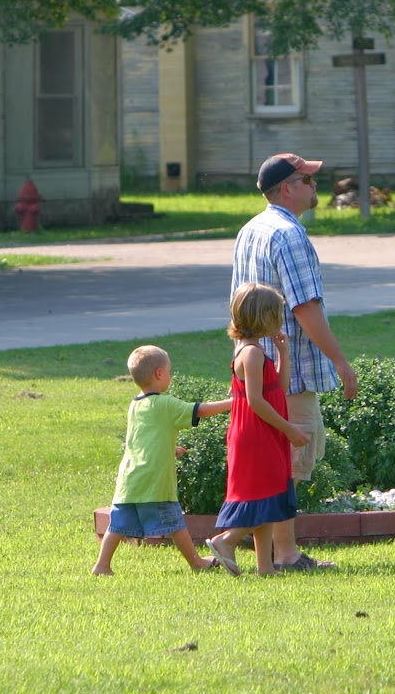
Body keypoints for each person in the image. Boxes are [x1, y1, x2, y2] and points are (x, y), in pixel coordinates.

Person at [230, 152, 359, 572]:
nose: (315, 186)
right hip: (291, 371)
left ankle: (275, 552)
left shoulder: (251, 229)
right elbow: (305, 306)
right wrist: (341, 361)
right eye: (307, 179)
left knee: (275, 463)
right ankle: (281, 554)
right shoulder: (289, 235)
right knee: (291, 463)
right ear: (287, 188)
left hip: (253, 367)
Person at [92, 345, 233, 576]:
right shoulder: (164, 404)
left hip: (130, 480)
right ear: (159, 373)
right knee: (175, 523)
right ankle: (196, 562)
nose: (170, 375)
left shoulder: (135, 404)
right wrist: (235, 402)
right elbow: (200, 410)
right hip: (155, 482)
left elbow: (142, 438)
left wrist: (169, 448)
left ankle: (102, 565)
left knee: (117, 525)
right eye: (169, 371)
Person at [205, 283, 310, 576]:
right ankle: (225, 541)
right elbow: (255, 401)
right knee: (261, 497)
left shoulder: (258, 351)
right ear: (262, 317)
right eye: (276, 313)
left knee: (269, 495)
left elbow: (280, 387)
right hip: (256, 433)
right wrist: (289, 428)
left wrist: (283, 354)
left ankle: (265, 566)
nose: (280, 318)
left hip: (266, 430)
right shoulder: (250, 354)